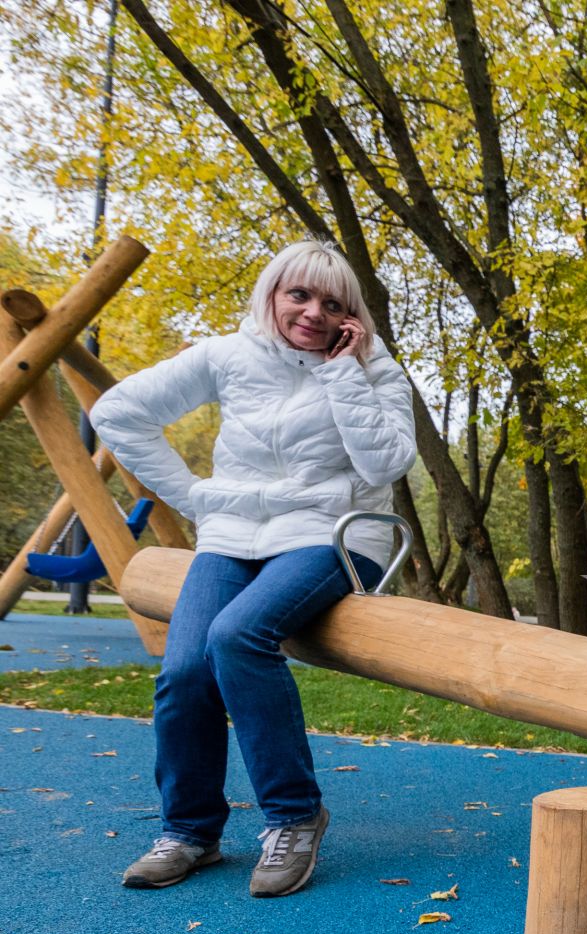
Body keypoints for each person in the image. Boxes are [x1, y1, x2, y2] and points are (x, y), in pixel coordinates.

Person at [90, 241, 417, 895]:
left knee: (237, 635)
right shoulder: (227, 355)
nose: (313, 312)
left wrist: (345, 371)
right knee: (183, 669)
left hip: (330, 534)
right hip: (231, 535)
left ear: (351, 316)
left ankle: (294, 817)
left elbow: (387, 465)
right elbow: (117, 413)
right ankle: (190, 831)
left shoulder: (375, 369)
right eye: (299, 294)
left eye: (332, 302)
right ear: (271, 294)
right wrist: (192, 496)